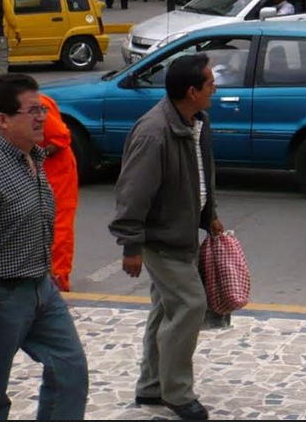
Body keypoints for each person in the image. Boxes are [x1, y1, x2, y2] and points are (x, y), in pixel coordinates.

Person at [0, 73, 89, 420]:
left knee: (70, 370)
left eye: (43, 109)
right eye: (32, 111)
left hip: (41, 289)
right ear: (2, 120)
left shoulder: (33, 157)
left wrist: (49, 269)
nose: (42, 118)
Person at [111, 55, 224, 422]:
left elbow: (200, 175)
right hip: (162, 238)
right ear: (192, 91)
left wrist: (209, 216)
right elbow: (133, 193)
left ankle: (151, 386)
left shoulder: (197, 121)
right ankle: (177, 393)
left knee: (165, 307)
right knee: (190, 305)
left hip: (184, 231)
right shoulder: (153, 132)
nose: (215, 88)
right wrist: (131, 246)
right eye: (210, 83)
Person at [0, 77, 80, 293]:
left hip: (58, 173)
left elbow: (61, 139)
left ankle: (59, 282)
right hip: (30, 171)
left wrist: (34, 156)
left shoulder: (31, 111)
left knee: (58, 226)